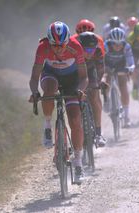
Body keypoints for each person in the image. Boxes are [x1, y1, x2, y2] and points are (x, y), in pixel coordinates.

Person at [29, 21, 88, 182]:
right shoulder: (42, 48)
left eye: (62, 44)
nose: (59, 48)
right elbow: (34, 77)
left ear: (68, 40)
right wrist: (34, 92)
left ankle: (77, 162)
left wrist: (81, 90)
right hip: (51, 76)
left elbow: (84, 77)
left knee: (75, 121)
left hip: (72, 81)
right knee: (49, 91)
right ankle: (47, 125)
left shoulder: (76, 47)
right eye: (54, 45)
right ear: (49, 41)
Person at [76, 31, 107, 147]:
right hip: (76, 74)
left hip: (90, 72)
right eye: (87, 50)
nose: (90, 52)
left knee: (94, 96)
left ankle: (98, 134)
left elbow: (100, 70)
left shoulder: (97, 51)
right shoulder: (74, 51)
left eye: (92, 49)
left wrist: (99, 83)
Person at [101, 27, 135, 128]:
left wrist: (130, 69)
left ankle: (126, 116)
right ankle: (106, 98)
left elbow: (131, 62)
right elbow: (99, 60)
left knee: (123, 86)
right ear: (110, 42)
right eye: (115, 44)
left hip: (121, 66)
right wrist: (102, 70)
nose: (117, 46)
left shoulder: (126, 46)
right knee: (106, 80)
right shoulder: (105, 46)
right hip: (108, 66)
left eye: (120, 44)